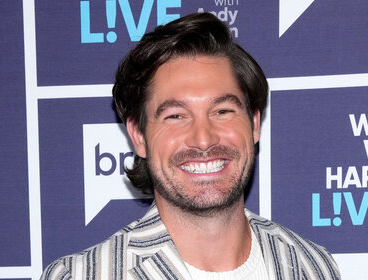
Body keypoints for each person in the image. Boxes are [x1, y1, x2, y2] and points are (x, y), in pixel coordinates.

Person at [41, 12, 340, 280]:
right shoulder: (81, 275)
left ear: (253, 124)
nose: (203, 138)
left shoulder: (312, 266)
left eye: (222, 111)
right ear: (139, 136)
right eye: (175, 116)